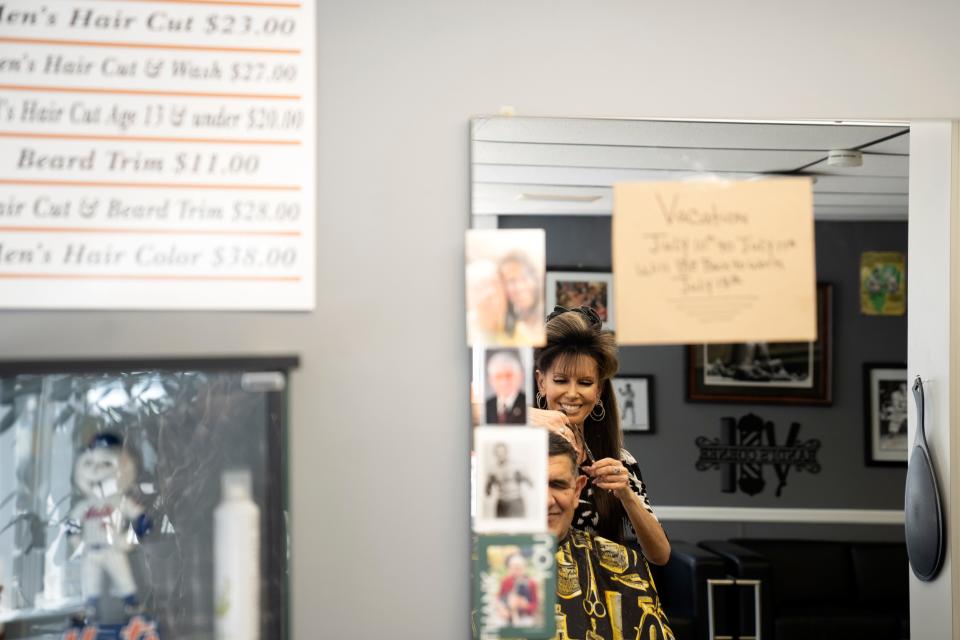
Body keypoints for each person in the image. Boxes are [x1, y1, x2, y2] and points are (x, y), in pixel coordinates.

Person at [531, 306, 670, 565]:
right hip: (528, 593)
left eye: (584, 383)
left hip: (596, 601)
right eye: (560, 380)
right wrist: (521, 418)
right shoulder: (513, 450)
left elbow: (660, 555)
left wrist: (626, 494)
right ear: (542, 382)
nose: (572, 394)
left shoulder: (618, 461)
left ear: (598, 391)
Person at [547, 433, 673, 640]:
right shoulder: (477, 562)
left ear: (578, 489)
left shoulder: (627, 564)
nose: (546, 500)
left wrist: (626, 493)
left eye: (558, 485)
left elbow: (660, 554)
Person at [498, 252, 545, 345]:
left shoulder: (548, 317)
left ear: (535, 279)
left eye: (524, 278)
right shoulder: (505, 324)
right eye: (511, 281)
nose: (519, 287)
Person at [484, 442, 533, 517]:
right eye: (498, 453)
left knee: (520, 527)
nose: (500, 455)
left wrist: (522, 477)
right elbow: (487, 492)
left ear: (506, 452)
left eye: (502, 452)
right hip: (501, 503)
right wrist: (489, 484)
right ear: (495, 454)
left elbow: (531, 484)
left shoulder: (517, 466)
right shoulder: (493, 470)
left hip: (516, 502)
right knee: (500, 528)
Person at [496, 553, 539, 628]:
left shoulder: (531, 583)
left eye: (518, 568)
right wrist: (502, 609)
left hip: (524, 615)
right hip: (507, 614)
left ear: (524, 568)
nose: (515, 571)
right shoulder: (506, 581)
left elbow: (534, 605)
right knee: (499, 624)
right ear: (509, 569)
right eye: (513, 568)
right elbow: (499, 598)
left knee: (526, 625)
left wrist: (525, 605)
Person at [485, 350, 527, 424]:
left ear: (520, 376)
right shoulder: (486, 406)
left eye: (509, 375)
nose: (504, 382)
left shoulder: (529, 404)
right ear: (490, 380)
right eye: (498, 376)